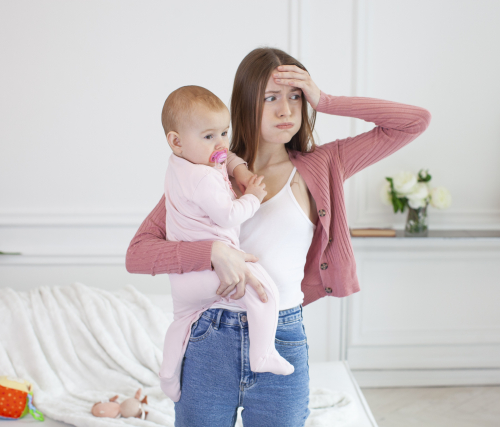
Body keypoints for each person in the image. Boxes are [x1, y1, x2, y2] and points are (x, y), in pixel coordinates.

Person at [126, 47, 431, 426]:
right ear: (245, 101)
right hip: (210, 338)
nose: (286, 110)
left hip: (281, 334)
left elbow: (415, 122)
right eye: (271, 97)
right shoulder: (206, 170)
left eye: (295, 97)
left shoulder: (322, 165)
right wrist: (213, 252)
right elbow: (138, 253)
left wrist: (327, 100)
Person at [158, 85, 294, 403]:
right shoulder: (204, 179)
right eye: (209, 136)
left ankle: (167, 375)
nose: (220, 144)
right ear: (176, 141)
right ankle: (263, 353)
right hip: (212, 272)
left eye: (224, 132)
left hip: (184, 279)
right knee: (265, 291)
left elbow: (225, 158)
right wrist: (253, 196)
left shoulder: (181, 164)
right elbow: (228, 215)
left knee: (182, 320)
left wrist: (237, 168)